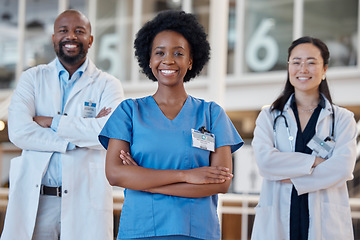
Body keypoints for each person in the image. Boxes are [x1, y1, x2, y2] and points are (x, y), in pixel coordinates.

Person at [98, 10, 243, 240]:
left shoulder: (211, 114)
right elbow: (115, 174)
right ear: (149, 59)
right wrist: (187, 175)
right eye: (160, 52)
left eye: (178, 53)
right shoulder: (129, 112)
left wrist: (142, 180)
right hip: (140, 230)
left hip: (196, 231)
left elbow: (221, 183)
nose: (168, 60)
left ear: (191, 60)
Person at [1, 9, 124, 240]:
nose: (71, 36)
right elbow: (18, 132)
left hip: (85, 201)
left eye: (79, 31)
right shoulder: (32, 78)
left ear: (91, 39)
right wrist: (77, 139)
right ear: (54, 38)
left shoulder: (108, 85)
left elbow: (108, 134)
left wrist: (51, 122)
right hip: (38, 202)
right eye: (63, 31)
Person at [251, 36, 357, 240]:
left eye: (311, 62)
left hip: (325, 226)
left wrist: (290, 176)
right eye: (296, 62)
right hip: (277, 223)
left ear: (324, 69)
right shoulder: (269, 116)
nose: (303, 69)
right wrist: (314, 162)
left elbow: (342, 168)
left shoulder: (342, 119)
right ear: (288, 67)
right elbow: (265, 162)